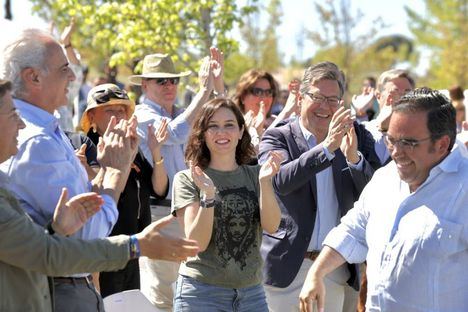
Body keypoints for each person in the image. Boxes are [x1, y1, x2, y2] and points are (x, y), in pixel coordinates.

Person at [0, 78, 199, 311]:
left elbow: (37, 247)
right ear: (92, 117)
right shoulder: (80, 144)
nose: (22, 125)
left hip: (113, 257)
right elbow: (48, 253)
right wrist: (136, 245)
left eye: (121, 109)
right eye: (13, 114)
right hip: (101, 258)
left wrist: (57, 230)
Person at [299, 88, 468, 312]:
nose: (396, 152)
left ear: (442, 144)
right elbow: (353, 230)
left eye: (408, 142)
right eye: (391, 140)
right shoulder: (385, 178)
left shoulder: (463, 189)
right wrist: (317, 273)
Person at [0, 28, 130, 311]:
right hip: (62, 291)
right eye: (64, 69)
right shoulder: (37, 142)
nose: (72, 77)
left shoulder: (45, 132)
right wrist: (116, 174)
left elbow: (71, 224)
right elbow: (85, 239)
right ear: (33, 77)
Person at [258, 61, 381, 312]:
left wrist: (354, 159)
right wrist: (327, 148)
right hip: (287, 269)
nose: (325, 106)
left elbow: (377, 192)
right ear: (300, 98)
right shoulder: (277, 136)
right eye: (317, 97)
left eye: (333, 100)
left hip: (332, 267)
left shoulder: (355, 135)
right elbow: (280, 181)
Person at [129, 48, 224, 310]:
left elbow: (224, 124)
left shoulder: (183, 111)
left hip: (194, 211)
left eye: (173, 80)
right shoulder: (141, 114)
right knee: (163, 296)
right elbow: (176, 132)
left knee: (196, 294)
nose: (169, 85)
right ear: (145, 85)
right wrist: (204, 92)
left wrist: (216, 87)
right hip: (163, 214)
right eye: (161, 80)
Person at [171, 98, 282, 311]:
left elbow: (272, 226)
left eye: (229, 125)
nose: (221, 132)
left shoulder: (257, 175)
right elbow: (196, 244)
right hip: (201, 294)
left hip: (252, 294)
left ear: (241, 132)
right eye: (213, 126)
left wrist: (265, 182)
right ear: (202, 134)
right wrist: (208, 195)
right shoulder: (187, 179)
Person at [79, 83, 169, 297]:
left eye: (121, 110)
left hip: (133, 247)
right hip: (105, 249)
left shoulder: (131, 146)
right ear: (91, 117)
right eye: (109, 110)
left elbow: (159, 188)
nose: (117, 115)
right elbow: (97, 190)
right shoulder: (86, 146)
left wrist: (157, 152)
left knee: (129, 303)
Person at [362, 69, 415, 165]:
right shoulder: (362, 130)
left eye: (407, 93)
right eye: (395, 92)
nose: (402, 98)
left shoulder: (418, 135)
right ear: (378, 96)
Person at [232, 69, 279, 143]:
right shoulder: (232, 125)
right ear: (243, 97)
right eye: (258, 92)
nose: (264, 98)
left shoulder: (281, 124)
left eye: (268, 92)